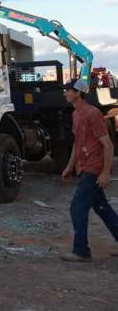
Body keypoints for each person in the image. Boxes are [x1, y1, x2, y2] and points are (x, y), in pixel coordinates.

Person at [60, 79, 118, 261]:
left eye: (68, 90)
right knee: (102, 207)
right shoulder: (76, 114)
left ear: (78, 93)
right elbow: (77, 143)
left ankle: (81, 251)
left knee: (77, 207)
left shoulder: (93, 114)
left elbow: (108, 145)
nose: (65, 93)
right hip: (84, 166)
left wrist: (106, 172)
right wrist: (70, 166)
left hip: (93, 167)